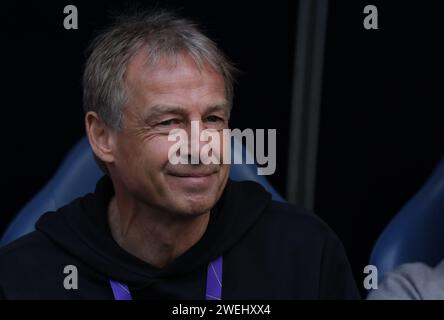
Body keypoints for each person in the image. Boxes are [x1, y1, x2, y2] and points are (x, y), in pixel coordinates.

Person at [0, 10, 360, 300]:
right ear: (102, 136)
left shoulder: (303, 253)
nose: (198, 145)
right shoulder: (27, 277)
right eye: (169, 122)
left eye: (213, 119)